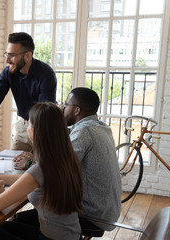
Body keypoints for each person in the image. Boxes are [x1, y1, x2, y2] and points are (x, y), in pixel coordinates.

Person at [12, 87, 122, 232]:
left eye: (66, 104)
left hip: (91, 215)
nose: (62, 108)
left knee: (17, 221)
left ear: (77, 110)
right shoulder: (101, 127)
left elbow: (55, 168)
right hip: (107, 211)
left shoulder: (84, 132)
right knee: (23, 218)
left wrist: (29, 163)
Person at [0, 102, 83, 240]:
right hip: (71, 235)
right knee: (4, 227)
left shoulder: (42, 168)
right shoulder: (65, 158)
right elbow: (28, 179)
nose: (27, 128)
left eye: (29, 124)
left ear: (36, 131)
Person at [0, 32, 57, 152]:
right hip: (23, 126)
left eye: (11, 55)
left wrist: (33, 152)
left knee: (39, 166)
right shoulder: (7, 73)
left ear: (27, 55)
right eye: (6, 54)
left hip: (44, 128)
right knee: (13, 165)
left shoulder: (46, 74)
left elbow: (44, 112)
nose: (7, 60)